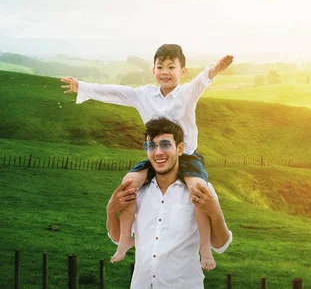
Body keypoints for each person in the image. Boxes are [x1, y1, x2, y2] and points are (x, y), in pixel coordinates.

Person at [61, 44, 233, 269]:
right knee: (128, 183)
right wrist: (82, 86)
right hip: (157, 156)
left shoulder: (186, 92)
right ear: (153, 71)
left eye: (171, 67)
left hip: (187, 157)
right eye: (160, 66)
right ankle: (124, 240)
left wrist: (217, 67)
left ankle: (204, 249)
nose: (165, 71)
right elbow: (115, 92)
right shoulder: (143, 95)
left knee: (199, 190)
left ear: (183, 72)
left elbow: (203, 79)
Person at [106, 117, 232, 288]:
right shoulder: (138, 192)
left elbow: (221, 245)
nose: (158, 152)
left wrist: (215, 211)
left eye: (165, 145)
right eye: (152, 146)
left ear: (180, 149)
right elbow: (117, 237)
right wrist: (111, 210)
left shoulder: (200, 191)